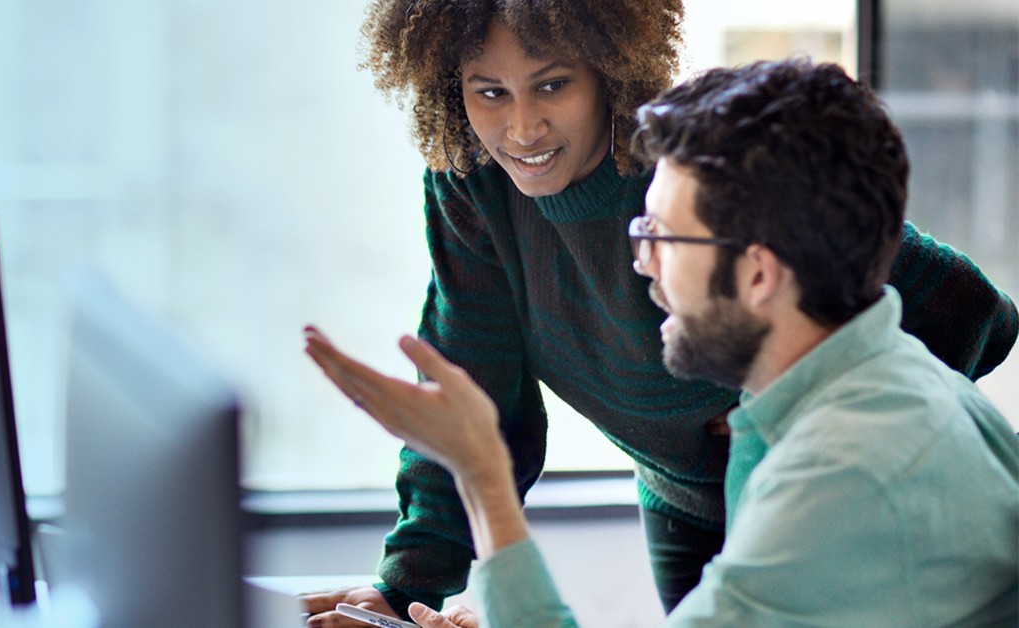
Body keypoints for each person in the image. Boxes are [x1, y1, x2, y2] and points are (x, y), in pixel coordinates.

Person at [300, 1, 1019, 624]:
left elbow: (964, 313)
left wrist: (787, 416)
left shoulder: (701, 173)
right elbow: (470, 378)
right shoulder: (475, 193)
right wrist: (405, 589)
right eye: (490, 92)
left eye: (551, 84)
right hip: (707, 490)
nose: (521, 128)